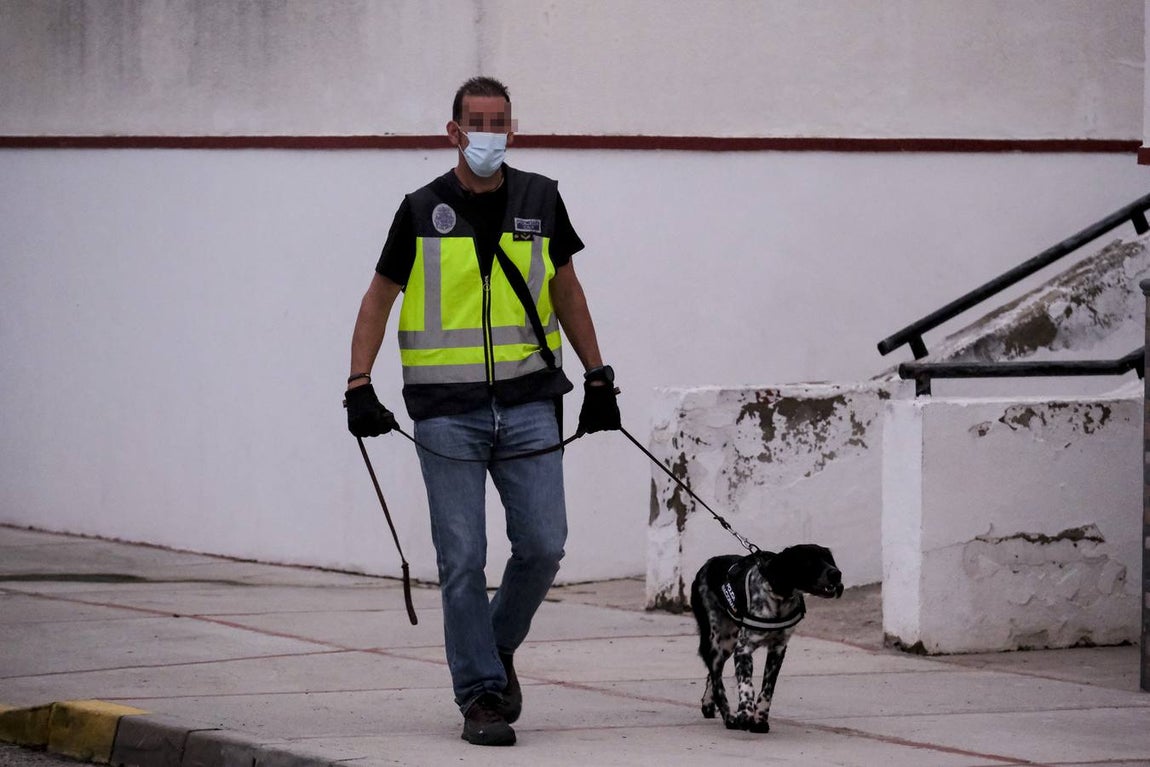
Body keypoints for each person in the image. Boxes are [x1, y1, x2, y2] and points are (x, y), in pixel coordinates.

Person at [344, 76, 620, 747]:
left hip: (529, 402)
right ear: (454, 132)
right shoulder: (420, 209)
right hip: (445, 412)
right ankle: (481, 695)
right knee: (463, 556)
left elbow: (567, 291)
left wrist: (598, 375)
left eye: (500, 121)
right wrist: (358, 382)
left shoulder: (541, 199)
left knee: (544, 544)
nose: (489, 132)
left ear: (512, 128)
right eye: (477, 121)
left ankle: (491, 652)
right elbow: (379, 297)